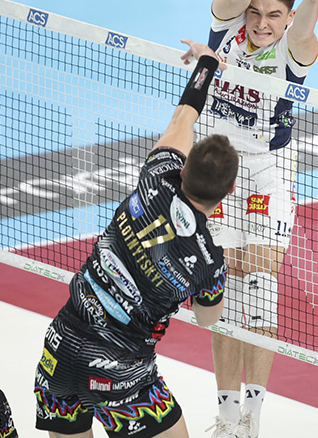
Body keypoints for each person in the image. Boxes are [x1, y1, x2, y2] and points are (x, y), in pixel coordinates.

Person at [34, 44, 239, 438]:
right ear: (229, 190)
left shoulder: (157, 175)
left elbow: (183, 118)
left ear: (184, 170)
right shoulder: (210, 262)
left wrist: (208, 63)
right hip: (120, 372)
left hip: (60, 347)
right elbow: (207, 318)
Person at [201, 0, 318, 438]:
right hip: (215, 167)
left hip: (268, 167)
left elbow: (303, 34)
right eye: (256, 12)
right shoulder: (226, 27)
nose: (262, 23)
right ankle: (226, 414)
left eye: (274, 15)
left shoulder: (294, 49)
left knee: (260, 285)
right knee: (223, 289)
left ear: (288, 18)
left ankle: (252, 418)